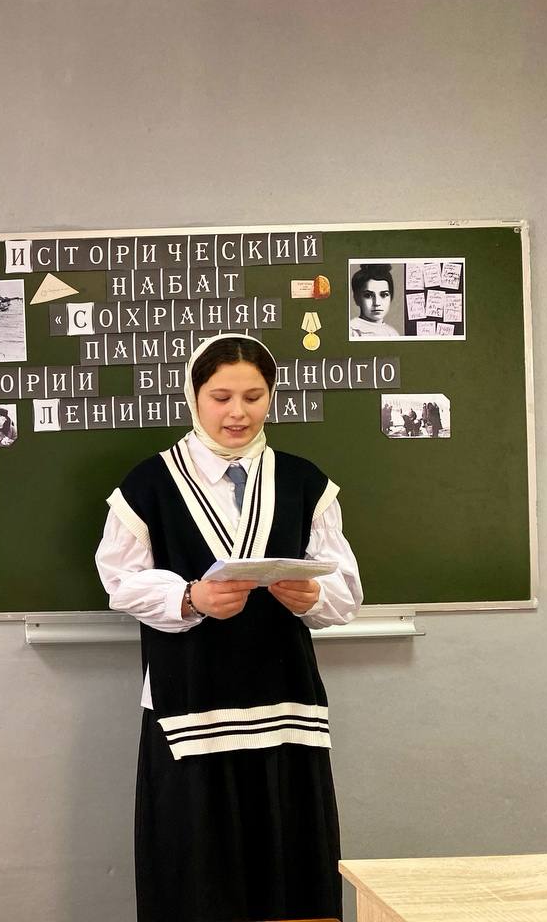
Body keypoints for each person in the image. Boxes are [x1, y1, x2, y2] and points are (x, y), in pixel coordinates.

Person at [95, 333, 363, 922]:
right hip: (190, 707)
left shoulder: (304, 482)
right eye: (221, 397)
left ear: (271, 397)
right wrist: (189, 597)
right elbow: (119, 581)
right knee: (198, 875)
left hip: (284, 708)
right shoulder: (148, 483)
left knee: (290, 872)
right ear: (193, 397)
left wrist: (314, 595)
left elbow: (345, 590)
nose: (237, 413)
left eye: (253, 396)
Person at [349, 263, 400, 338]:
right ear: (356, 298)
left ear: (391, 297)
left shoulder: (393, 333)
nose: (377, 303)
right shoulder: (352, 330)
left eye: (384, 295)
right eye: (368, 295)